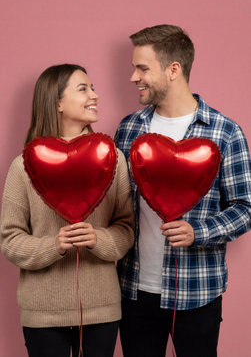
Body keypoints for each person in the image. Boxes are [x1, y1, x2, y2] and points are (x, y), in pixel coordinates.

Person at [114, 25, 251, 357]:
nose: (134, 77)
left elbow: (245, 208)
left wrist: (197, 232)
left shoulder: (225, 131)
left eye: (142, 68)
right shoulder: (129, 128)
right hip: (134, 290)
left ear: (173, 69)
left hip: (197, 291)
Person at [0, 64, 134, 357]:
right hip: (43, 314)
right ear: (57, 102)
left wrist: (98, 239)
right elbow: (9, 240)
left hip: (103, 310)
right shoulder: (22, 166)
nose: (95, 95)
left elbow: (126, 229)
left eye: (93, 87)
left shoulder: (115, 160)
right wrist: (54, 245)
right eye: (83, 88)